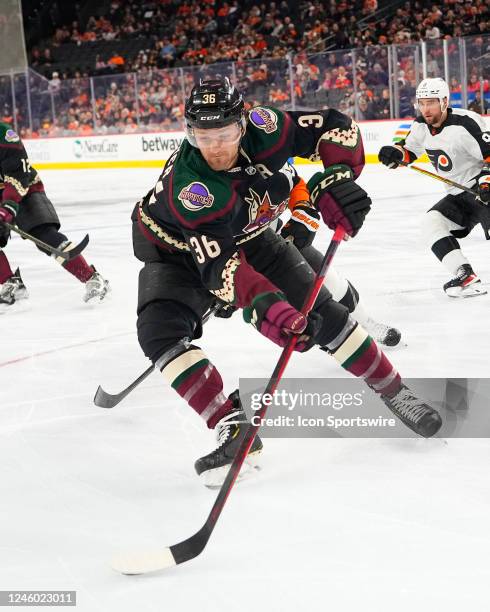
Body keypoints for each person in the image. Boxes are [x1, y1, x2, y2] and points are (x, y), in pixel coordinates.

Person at [131, 77, 442, 487]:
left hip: (251, 235)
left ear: (242, 123)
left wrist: (337, 178)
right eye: (203, 136)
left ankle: (393, 389)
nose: (216, 147)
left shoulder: (267, 125)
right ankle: (231, 423)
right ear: (190, 133)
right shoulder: (193, 187)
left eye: (224, 134)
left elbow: (336, 126)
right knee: (158, 334)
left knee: (326, 315)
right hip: (175, 251)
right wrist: (266, 308)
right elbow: (221, 270)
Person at [217, 174, 402, 347]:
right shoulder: (200, 182)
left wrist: (303, 211)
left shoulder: (253, 155)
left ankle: (365, 323)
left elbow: (292, 180)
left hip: (275, 244)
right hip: (226, 262)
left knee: (329, 282)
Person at [378, 77, 490, 298]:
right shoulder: (420, 126)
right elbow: (408, 152)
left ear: (444, 101)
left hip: (482, 188)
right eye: (421, 103)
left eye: (431, 102)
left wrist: (486, 183)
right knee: (432, 222)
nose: (426, 108)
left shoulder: (466, 123)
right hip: (457, 196)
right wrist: (394, 154)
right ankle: (465, 275)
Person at [0, 122, 110, 308]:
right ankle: (11, 283)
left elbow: (19, 174)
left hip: (24, 188)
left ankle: (92, 277)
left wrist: (8, 206)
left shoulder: (4, 134)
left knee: (44, 235)